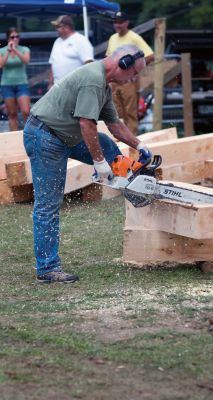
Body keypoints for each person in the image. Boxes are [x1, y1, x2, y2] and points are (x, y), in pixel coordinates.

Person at [23, 44, 152, 284]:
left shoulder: (102, 84)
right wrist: (99, 162)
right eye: (133, 73)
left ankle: (130, 184)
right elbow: (86, 124)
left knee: (105, 142)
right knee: (48, 204)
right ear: (121, 64)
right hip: (45, 136)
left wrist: (140, 145)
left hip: (63, 134)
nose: (134, 78)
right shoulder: (93, 80)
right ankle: (47, 269)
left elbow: (114, 125)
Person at [106, 11, 154, 135]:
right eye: (115, 22)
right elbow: (108, 58)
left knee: (130, 114)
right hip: (115, 82)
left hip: (129, 82)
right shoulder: (112, 38)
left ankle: (133, 146)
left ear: (126, 23)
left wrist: (135, 72)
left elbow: (150, 56)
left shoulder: (134, 37)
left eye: (120, 22)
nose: (117, 25)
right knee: (116, 114)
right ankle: (120, 142)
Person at [48, 15, 94, 88]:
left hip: (75, 87)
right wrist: (50, 83)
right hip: (57, 87)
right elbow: (52, 63)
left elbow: (89, 64)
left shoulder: (81, 40)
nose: (56, 29)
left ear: (67, 27)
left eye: (58, 27)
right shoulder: (57, 41)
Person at [0, 27, 30, 131]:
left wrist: (15, 50)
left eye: (17, 36)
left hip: (22, 84)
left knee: (26, 111)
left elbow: (26, 61)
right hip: (7, 85)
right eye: (13, 37)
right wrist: (8, 51)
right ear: (8, 38)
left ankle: (28, 135)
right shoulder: (2, 50)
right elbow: (1, 64)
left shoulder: (24, 49)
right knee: (12, 114)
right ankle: (14, 137)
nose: (15, 39)